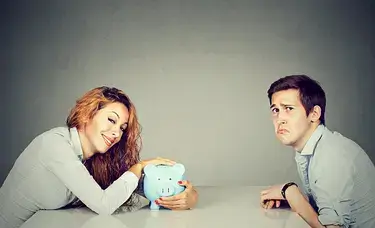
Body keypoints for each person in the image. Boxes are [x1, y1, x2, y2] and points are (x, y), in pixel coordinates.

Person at [0, 86, 198, 228]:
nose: (116, 133)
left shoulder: (93, 159)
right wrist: (139, 166)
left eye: (122, 128)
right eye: (111, 120)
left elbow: (137, 188)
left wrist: (184, 197)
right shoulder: (56, 146)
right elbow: (104, 204)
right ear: (88, 113)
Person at [260, 75, 375, 228]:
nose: (280, 118)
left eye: (288, 108)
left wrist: (290, 192)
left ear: (314, 114)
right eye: (275, 110)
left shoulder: (331, 156)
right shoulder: (313, 147)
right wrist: (291, 198)